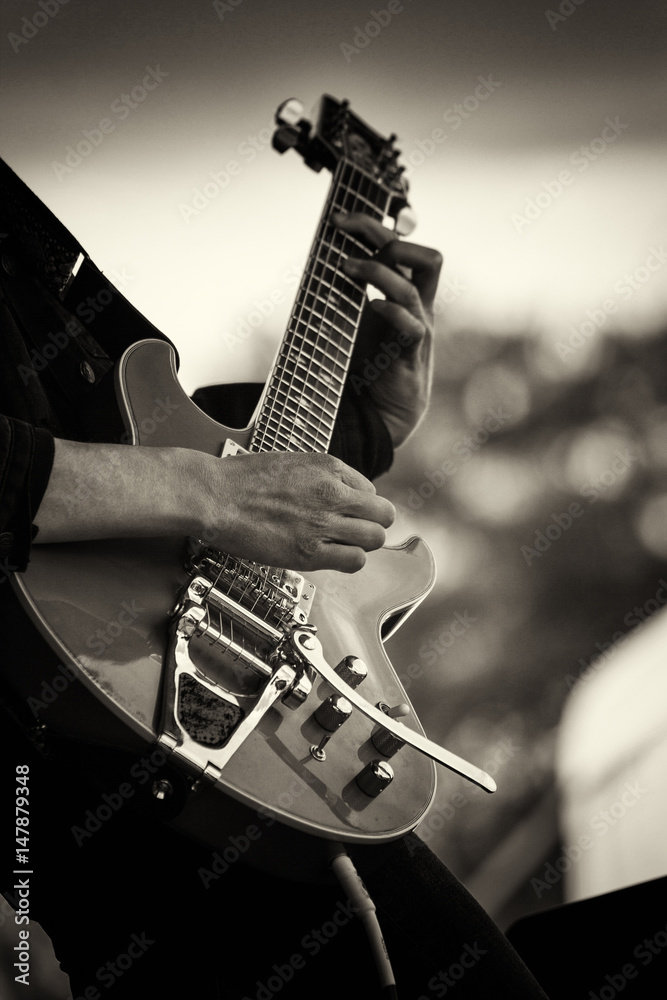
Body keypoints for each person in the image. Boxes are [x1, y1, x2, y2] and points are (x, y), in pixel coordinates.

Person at [0, 156, 550, 998]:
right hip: (78, 755)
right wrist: (209, 491)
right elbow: (191, 484)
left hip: (279, 749)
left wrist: (363, 420)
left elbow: (126, 429)